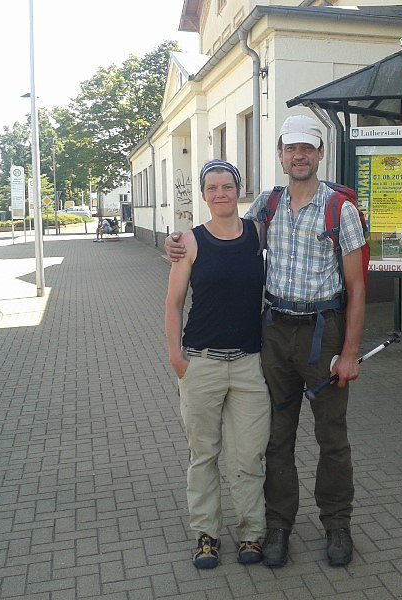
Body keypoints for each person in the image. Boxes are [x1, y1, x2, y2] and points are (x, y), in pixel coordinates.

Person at [166, 114, 366, 568]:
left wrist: (351, 351)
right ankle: (275, 527)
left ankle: (337, 525)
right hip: (273, 334)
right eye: (291, 149)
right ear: (280, 156)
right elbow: (223, 230)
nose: (299, 156)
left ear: (320, 154)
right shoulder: (267, 207)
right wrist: (174, 241)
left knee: (332, 436)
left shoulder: (342, 211)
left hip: (323, 333)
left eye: (307, 149)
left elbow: (357, 287)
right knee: (277, 437)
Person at [164, 160, 270, 570]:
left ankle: (250, 534)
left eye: (228, 186)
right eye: (213, 187)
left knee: (247, 457)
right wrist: (177, 359)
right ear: (204, 195)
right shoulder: (189, 242)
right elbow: (173, 306)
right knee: (203, 455)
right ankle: (206, 535)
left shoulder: (257, 235)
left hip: (248, 366)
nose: (221, 193)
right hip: (202, 365)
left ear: (238, 191)